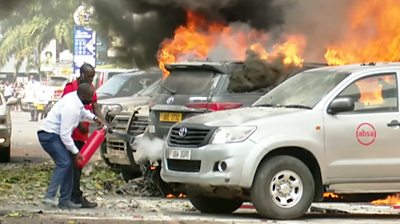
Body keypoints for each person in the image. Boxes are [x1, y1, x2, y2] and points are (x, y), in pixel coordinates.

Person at [37, 83, 103, 209]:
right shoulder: (71, 108)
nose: (91, 101)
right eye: (89, 98)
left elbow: (83, 111)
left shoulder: (75, 98)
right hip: (49, 135)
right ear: (83, 96)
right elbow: (65, 135)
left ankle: (64, 200)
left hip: (54, 135)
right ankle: (49, 196)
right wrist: (76, 152)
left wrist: (94, 118)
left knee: (69, 164)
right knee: (64, 162)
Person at [61, 63, 106, 208]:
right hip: (71, 135)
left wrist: (104, 122)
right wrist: (79, 123)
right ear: (82, 74)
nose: (91, 80)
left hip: (82, 136)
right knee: (72, 167)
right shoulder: (70, 87)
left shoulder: (90, 89)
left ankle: (72, 196)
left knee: (78, 167)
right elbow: (66, 108)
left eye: (93, 77)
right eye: (89, 76)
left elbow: (95, 107)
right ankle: (73, 197)